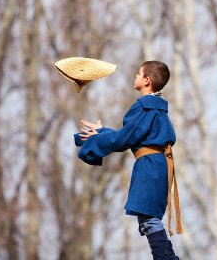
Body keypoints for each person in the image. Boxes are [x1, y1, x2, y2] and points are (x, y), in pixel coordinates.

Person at [74, 61, 182, 260]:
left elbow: (123, 139)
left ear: (147, 80)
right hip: (159, 166)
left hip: (149, 167)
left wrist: (95, 139)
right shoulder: (156, 108)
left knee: (149, 219)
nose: (135, 77)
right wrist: (100, 133)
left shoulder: (143, 106)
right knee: (149, 217)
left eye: (138, 74)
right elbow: (132, 134)